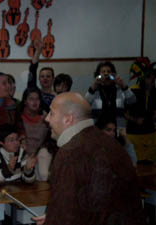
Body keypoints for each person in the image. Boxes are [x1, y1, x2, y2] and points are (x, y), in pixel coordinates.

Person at [33, 92, 144, 225]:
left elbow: (65, 215)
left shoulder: (69, 153)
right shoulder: (111, 144)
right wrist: (53, 215)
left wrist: (54, 218)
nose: (47, 119)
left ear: (68, 119)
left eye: (51, 113)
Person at [85, 61, 136, 128]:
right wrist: (93, 86)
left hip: (117, 129)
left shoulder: (119, 90)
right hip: (99, 129)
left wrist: (123, 85)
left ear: (113, 74)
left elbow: (132, 100)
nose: (106, 74)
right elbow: (85, 103)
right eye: (103, 72)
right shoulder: (94, 91)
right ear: (98, 75)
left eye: (109, 72)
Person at [126, 59, 156, 162]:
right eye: (149, 77)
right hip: (135, 135)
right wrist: (134, 119)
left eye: (153, 77)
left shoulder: (153, 91)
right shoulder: (132, 91)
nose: (152, 79)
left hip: (150, 134)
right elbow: (123, 112)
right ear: (142, 78)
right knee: (136, 166)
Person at [28, 39, 55, 112]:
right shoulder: (35, 92)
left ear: (53, 79)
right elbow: (32, 69)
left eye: (48, 76)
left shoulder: (58, 97)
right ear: (39, 79)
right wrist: (38, 50)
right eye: (42, 76)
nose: (45, 78)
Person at [20, 87, 48, 154]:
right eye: (31, 99)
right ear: (25, 102)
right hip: (21, 155)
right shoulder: (19, 118)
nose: (35, 102)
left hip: (41, 155)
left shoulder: (46, 118)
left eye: (37, 99)